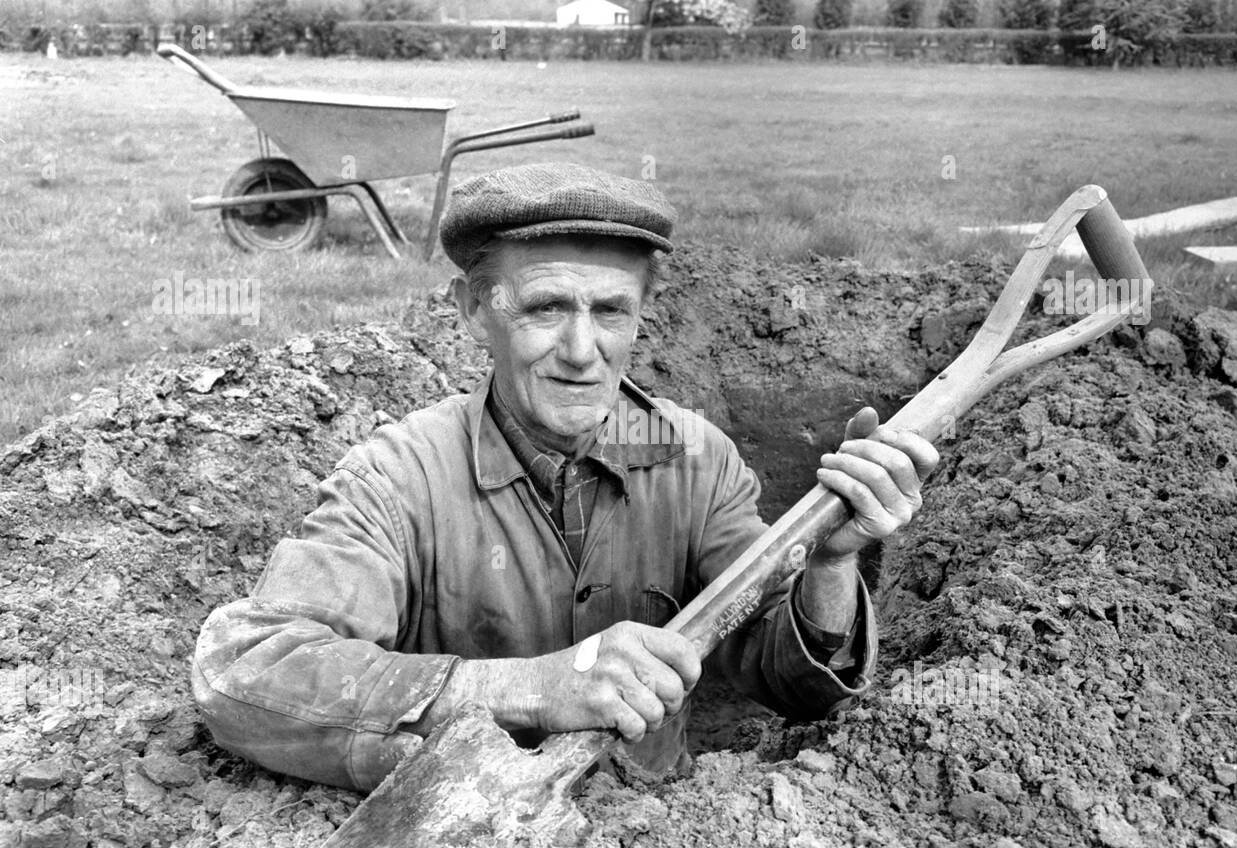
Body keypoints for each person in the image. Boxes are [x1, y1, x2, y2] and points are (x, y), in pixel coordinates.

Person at [192, 162, 939, 792]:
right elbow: (247, 670)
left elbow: (791, 683)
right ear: (472, 308)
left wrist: (833, 565)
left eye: (610, 310)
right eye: (546, 306)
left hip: (658, 823)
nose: (582, 350)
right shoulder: (401, 475)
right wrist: (529, 689)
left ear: (643, 314)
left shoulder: (697, 461)